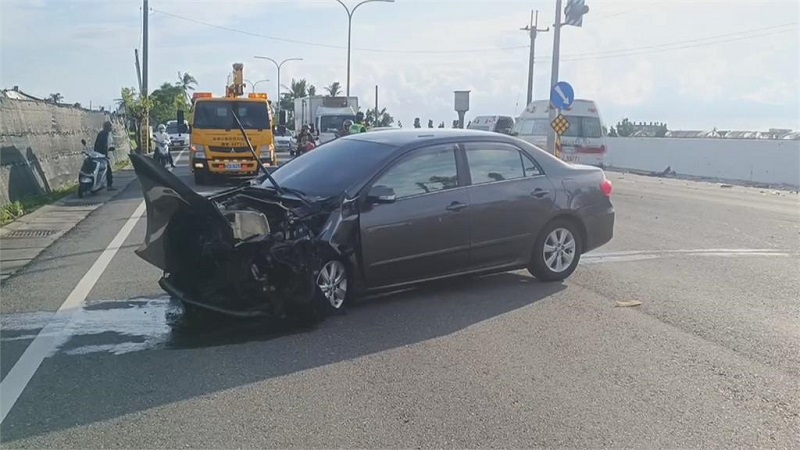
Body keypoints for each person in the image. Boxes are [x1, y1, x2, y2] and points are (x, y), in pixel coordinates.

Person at [93, 121, 116, 190]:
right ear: (107, 127)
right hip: (101, 156)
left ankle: (101, 184)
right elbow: (101, 146)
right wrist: (104, 153)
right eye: (110, 126)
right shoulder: (103, 134)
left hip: (101, 155)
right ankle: (109, 185)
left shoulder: (103, 134)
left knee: (103, 170)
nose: (111, 128)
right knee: (107, 170)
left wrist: (108, 150)